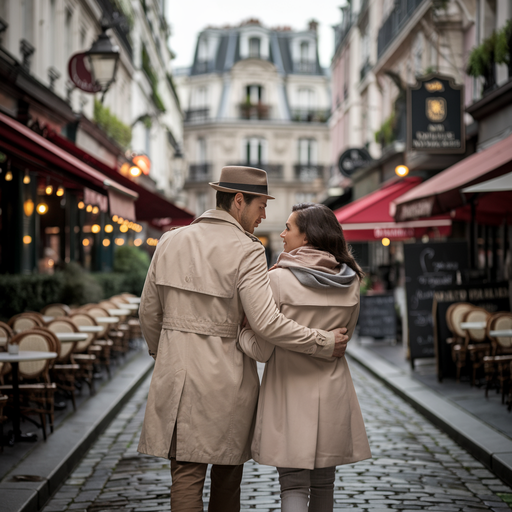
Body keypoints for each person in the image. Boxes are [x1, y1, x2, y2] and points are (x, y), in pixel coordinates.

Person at [137, 167, 351, 512]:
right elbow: (266, 323)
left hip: (174, 376)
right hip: (227, 379)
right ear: (239, 201)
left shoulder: (170, 240)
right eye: (260, 206)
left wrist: (167, 354)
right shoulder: (248, 249)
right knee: (226, 477)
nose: (265, 215)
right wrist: (322, 342)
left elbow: (148, 313)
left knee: (185, 477)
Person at [238, 203, 372, 512]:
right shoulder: (351, 281)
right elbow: (343, 339)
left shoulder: (277, 281)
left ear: (307, 237)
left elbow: (263, 349)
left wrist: (240, 334)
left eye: (288, 228)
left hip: (289, 392)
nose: (282, 234)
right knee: (325, 485)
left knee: (294, 486)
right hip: (334, 393)